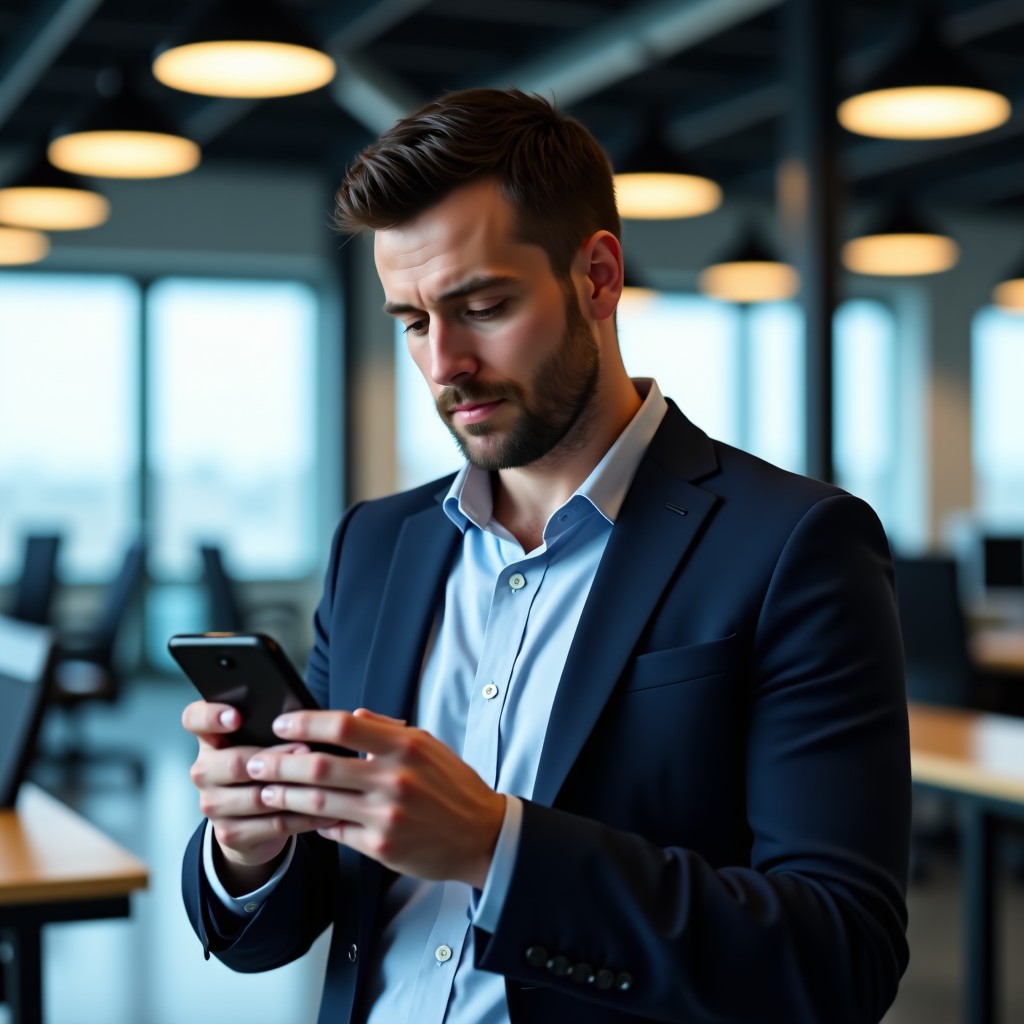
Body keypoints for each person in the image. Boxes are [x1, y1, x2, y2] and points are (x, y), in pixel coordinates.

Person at [180, 87, 910, 1024]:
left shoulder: (795, 544)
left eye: (481, 305)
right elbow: (306, 916)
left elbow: (837, 958)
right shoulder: (374, 545)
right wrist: (253, 849)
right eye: (411, 321)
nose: (444, 363)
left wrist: (497, 846)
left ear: (598, 277)